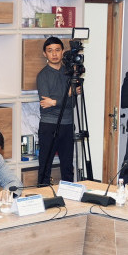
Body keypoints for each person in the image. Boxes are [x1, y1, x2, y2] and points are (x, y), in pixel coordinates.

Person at [37, 36, 77, 185]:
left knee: (67, 167)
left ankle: (70, 196)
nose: (54, 54)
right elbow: (45, 103)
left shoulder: (69, 74)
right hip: (49, 125)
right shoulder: (43, 75)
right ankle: (43, 195)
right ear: (45, 54)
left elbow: (72, 103)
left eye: (57, 50)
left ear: (63, 51)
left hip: (68, 124)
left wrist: (54, 101)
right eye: (50, 51)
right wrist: (67, 95)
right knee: (45, 167)